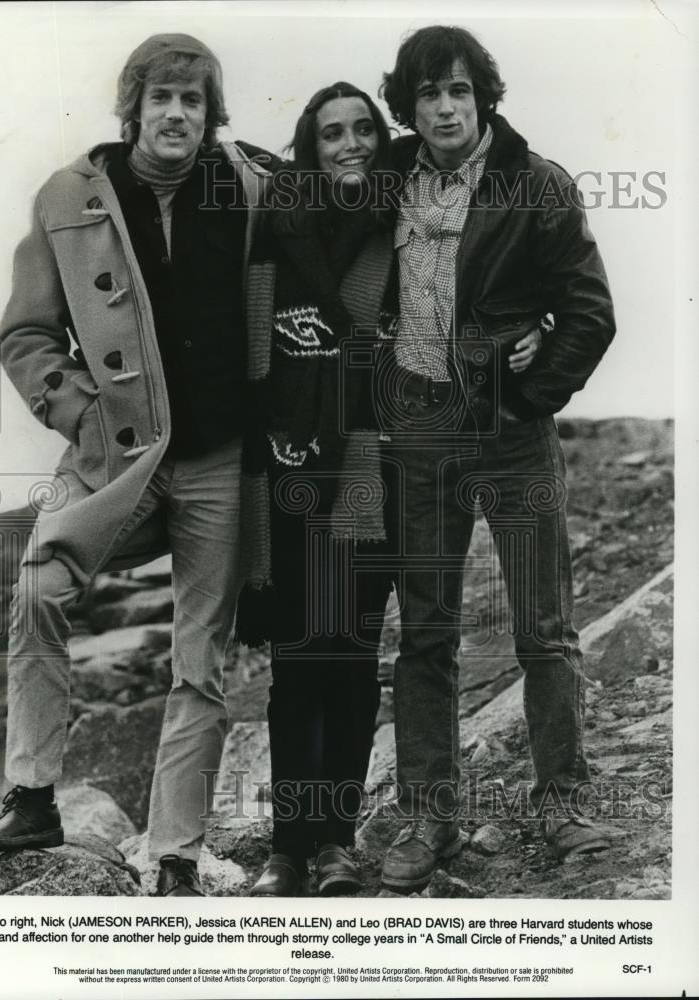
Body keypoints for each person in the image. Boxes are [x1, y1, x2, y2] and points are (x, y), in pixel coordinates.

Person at [0, 34, 274, 898]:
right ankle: (33, 796)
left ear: (212, 114)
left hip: (220, 459)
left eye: (192, 100)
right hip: (113, 457)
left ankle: (175, 853)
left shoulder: (251, 187)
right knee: (39, 588)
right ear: (133, 109)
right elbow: (26, 334)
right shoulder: (67, 196)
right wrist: (79, 411)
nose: (176, 114)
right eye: (160, 99)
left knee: (200, 658)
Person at [377, 25, 616, 893]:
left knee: (543, 630)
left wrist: (528, 392)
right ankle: (429, 816)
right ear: (407, 106)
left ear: (482, 98)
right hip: (418, 433)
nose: (445, 108)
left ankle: (564, 804)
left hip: (512, 436)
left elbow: (589, 312)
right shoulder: (383, 182)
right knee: (425, 635)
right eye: (428, 93)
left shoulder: (535, 183)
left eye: (460, 91)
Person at [237, 82, 399, 897]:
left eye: (363, 129)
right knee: (297, 661)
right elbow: (251, 354)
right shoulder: (273, 227)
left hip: (369, 464)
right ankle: (286, 848)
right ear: (311, 146)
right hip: (286, 467)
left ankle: (334, 841)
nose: (350, 144)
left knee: (352, 659)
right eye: (332, 133)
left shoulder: (398, 228)